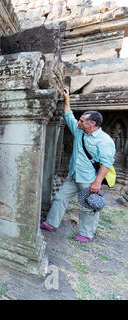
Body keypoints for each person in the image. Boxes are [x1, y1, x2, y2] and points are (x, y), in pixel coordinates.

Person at [40, 87, 115, 242]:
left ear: (92, 123)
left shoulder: (104, 140)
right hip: (73, 175)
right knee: (60, 198)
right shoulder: (80, 131)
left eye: (82, 120)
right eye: (80, 119)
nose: (78, 122)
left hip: (89, 179)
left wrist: (97, 182)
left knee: (88, 207)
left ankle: (87, 234)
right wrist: (67, 99)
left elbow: (107, 163)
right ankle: (51, 223)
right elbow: (68, 116)